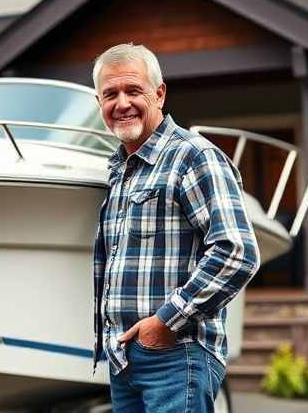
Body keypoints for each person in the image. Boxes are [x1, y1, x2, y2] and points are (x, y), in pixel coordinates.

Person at [90, 43, 260, 413]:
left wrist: (166, 323)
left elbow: (238, 252)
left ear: (160, 93)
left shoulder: (193, 156)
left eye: (133, 90)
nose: (122, 103)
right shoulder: (121, 170)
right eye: (110, 94)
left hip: (176, 355)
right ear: (98, 102)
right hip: (125, 359)